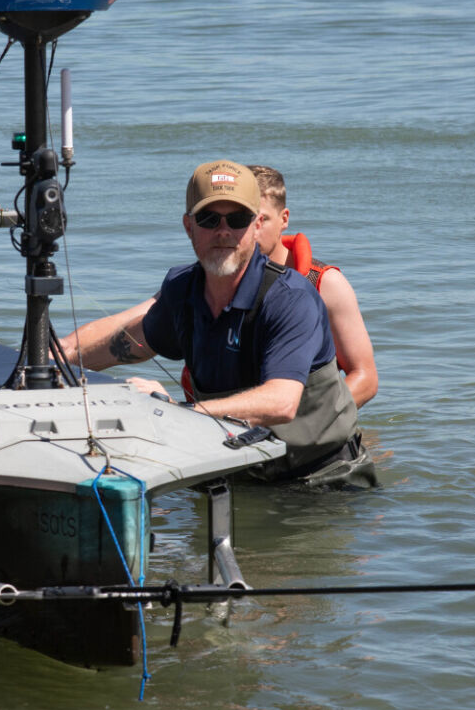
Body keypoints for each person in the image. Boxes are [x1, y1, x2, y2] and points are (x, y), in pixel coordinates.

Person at [64, 159, 373, 485]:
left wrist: (172, 413)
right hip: (231, 471)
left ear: (256, 225)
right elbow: (124, 343)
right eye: (209, 219)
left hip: (319, 484)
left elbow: (282, 402)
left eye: (237, 219)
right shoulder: (181, 290)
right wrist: (54, 363)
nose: (223, 231)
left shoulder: (293, 298)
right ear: (188, 226)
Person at [248, 165, 378, 408]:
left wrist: (307, 423)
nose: (250, 232)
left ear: (284, 219)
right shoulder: (215, 280)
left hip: (309, 428)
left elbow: (365, 378)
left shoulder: (325, 284)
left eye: (261, 219)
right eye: (241, 219)